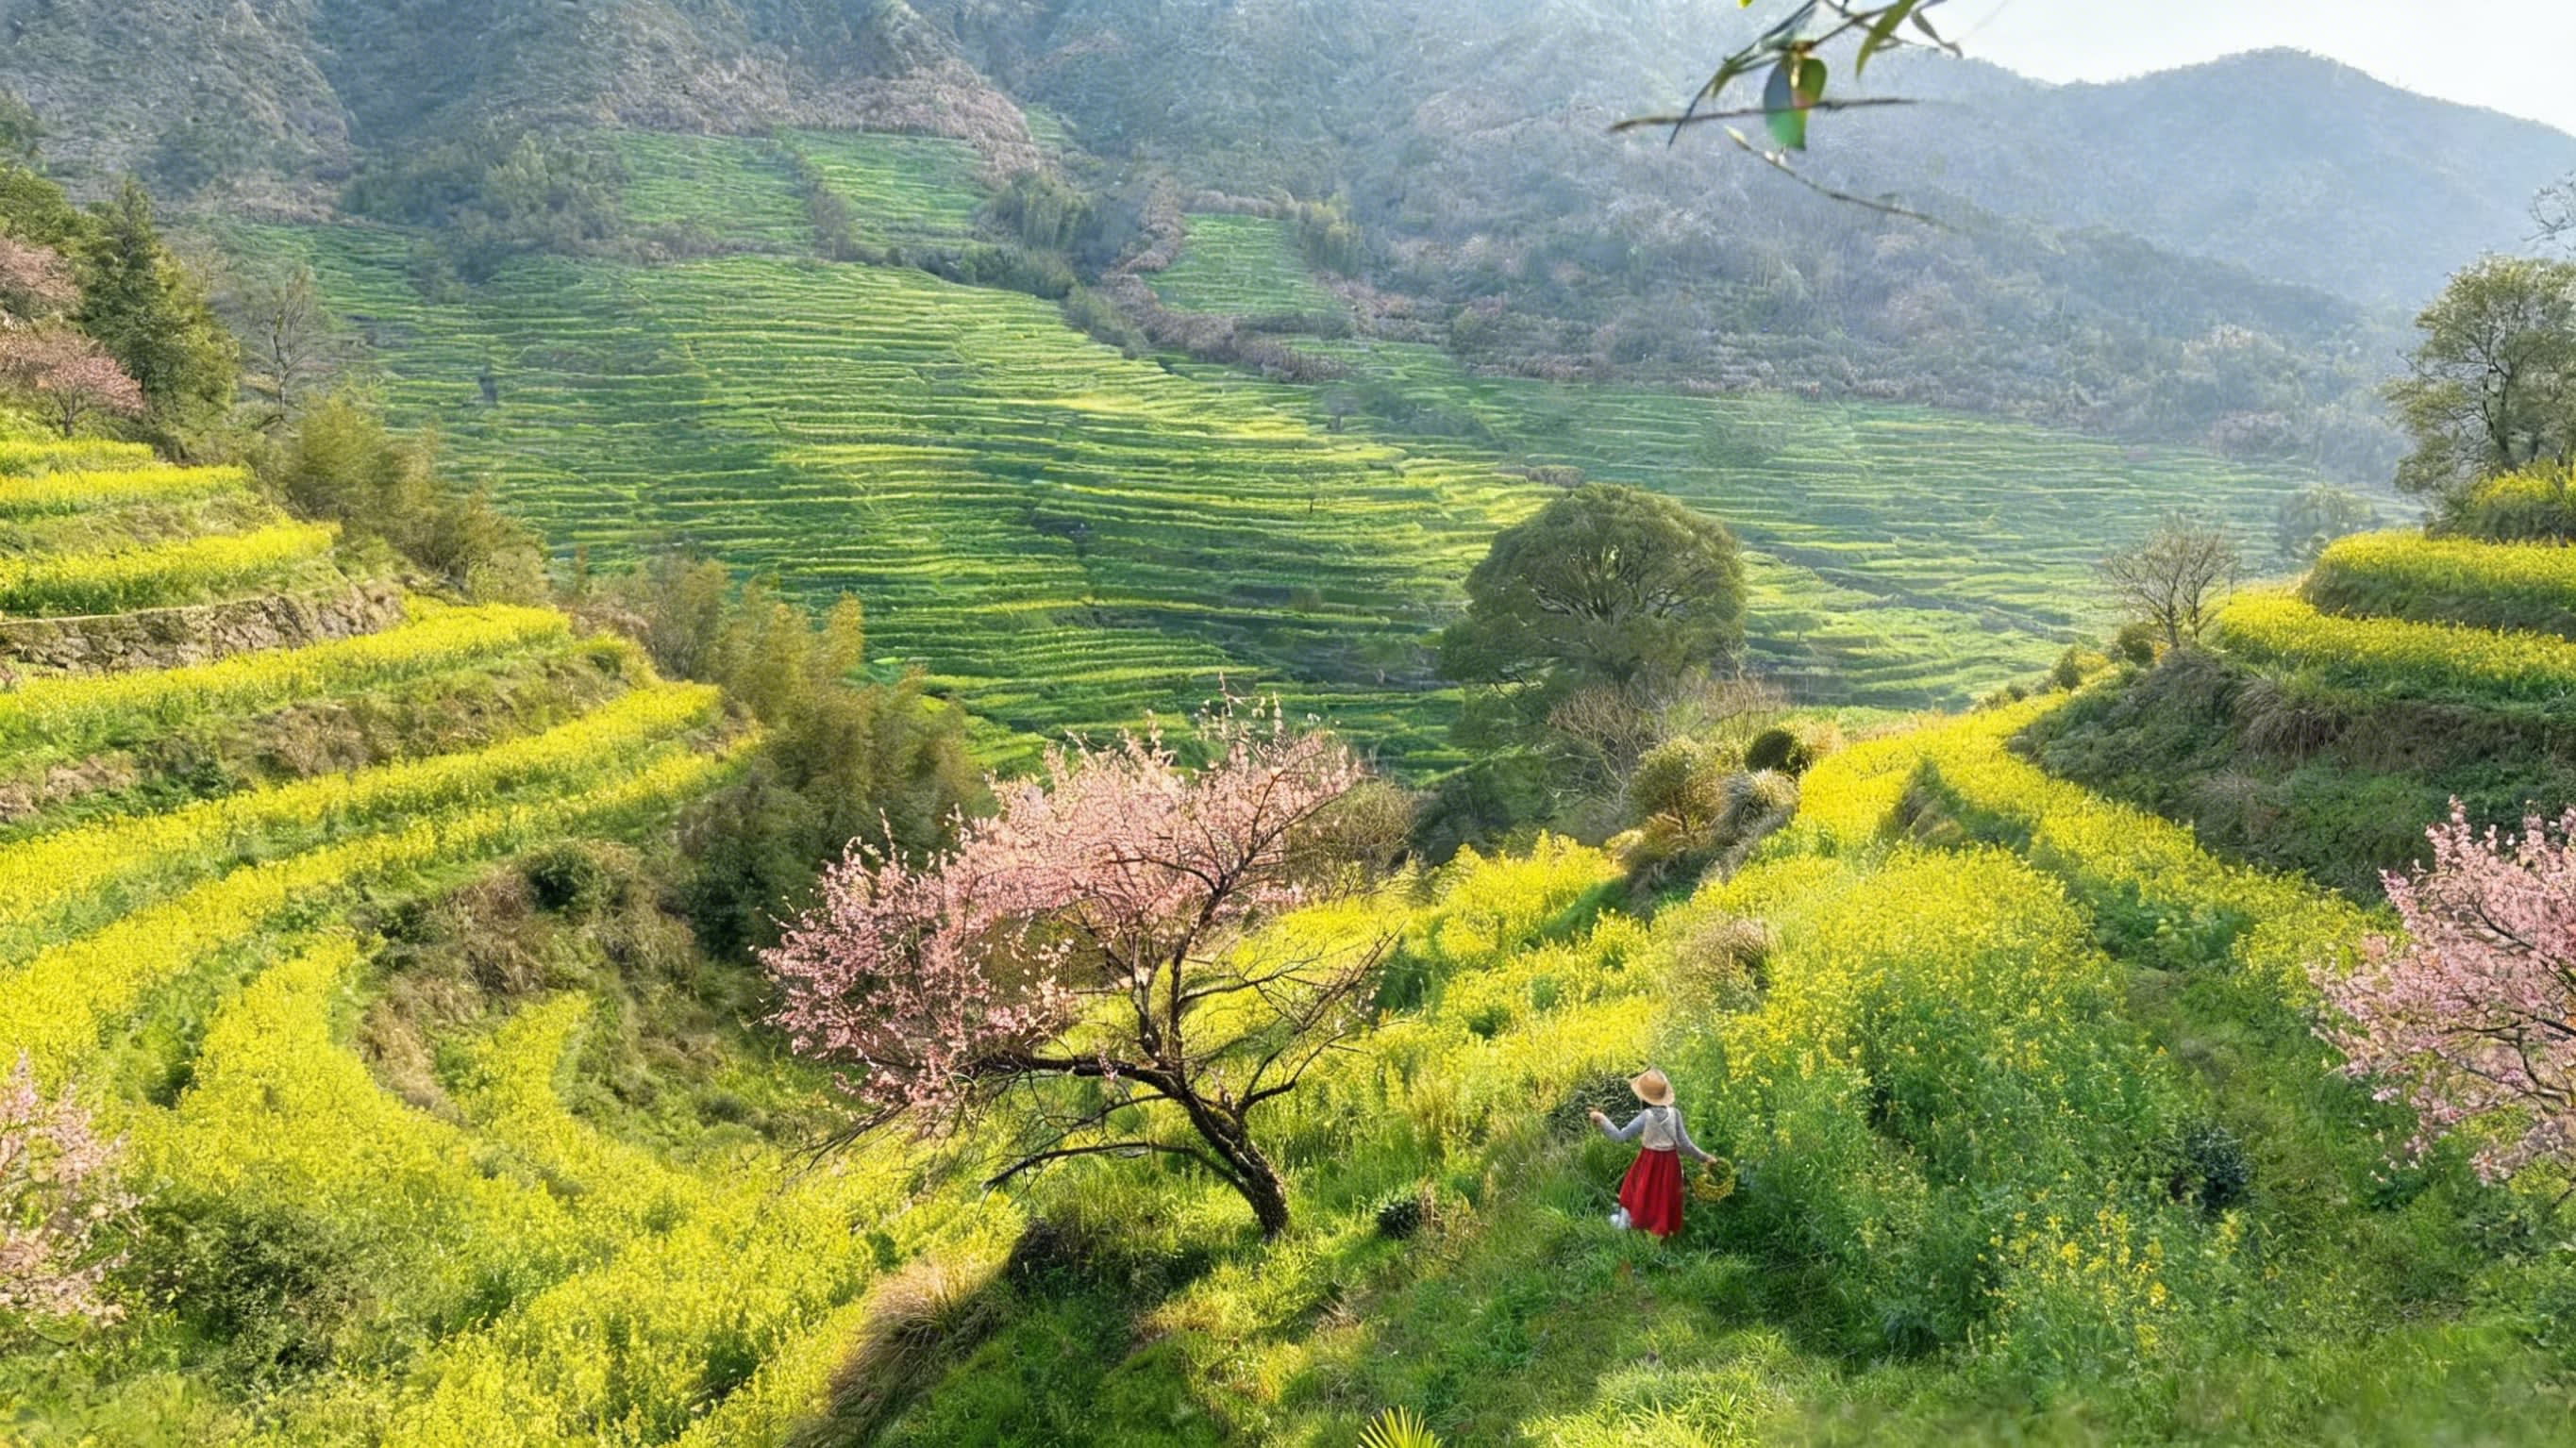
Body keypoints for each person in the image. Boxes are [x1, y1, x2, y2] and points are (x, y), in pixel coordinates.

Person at [1588, 1068, 1719, 1239]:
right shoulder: (1675, 1114)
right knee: (1663, 1199)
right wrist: (1705, 1157)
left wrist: (1602, 1119)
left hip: (1648, 1162)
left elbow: (1621, 1137)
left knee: (1636, 1192)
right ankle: (1659, 1234)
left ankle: (1627, 1225)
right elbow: (1685, 1145)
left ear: (1644, 1097)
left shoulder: (1646, 1116)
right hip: (1670, 1165)